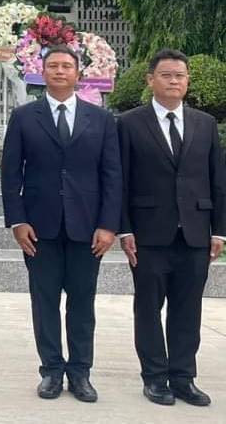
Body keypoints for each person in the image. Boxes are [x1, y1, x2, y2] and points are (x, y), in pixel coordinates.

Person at [1, 45, 122, 403]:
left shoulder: (100, 119)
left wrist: (108, 225)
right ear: (42, 72)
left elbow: (112, 175)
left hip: (88, 229)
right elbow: (10, 175)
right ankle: (52, 371)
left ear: (78, 73)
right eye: (52, 66)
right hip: (40, 228)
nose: (59, 71)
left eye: (66, 66)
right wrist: (17, 220)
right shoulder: (25, 117)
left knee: (83, 303)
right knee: (45, 301)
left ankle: (81, 372)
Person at [117, 49, 226, 407]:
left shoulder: (204, 123)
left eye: (180, 75)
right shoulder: (129, 123)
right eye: (166, 75)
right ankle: (154, 377)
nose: (174, 81)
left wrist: (219, 230)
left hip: (195, 232)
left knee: (188, 308)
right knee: (148, 307)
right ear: (150, 80)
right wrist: (124, 229)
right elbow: (121, 181)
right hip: (148, 234)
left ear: (187, 80)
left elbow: (217, 180)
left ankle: (183, 377)